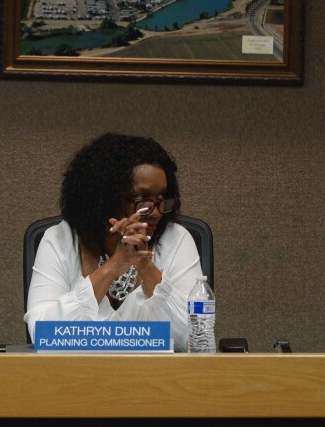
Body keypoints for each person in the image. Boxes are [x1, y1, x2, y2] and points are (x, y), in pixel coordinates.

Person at [24, 133, 201, 351]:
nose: (156, 213)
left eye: (162, 200)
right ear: (106, 197)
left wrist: (146, 268)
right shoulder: (60, 240)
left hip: (156, 380)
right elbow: (41, 333)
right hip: (76, 380)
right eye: (142, 200)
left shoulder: (176, 240)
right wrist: (112, 268)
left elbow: (195, 338)